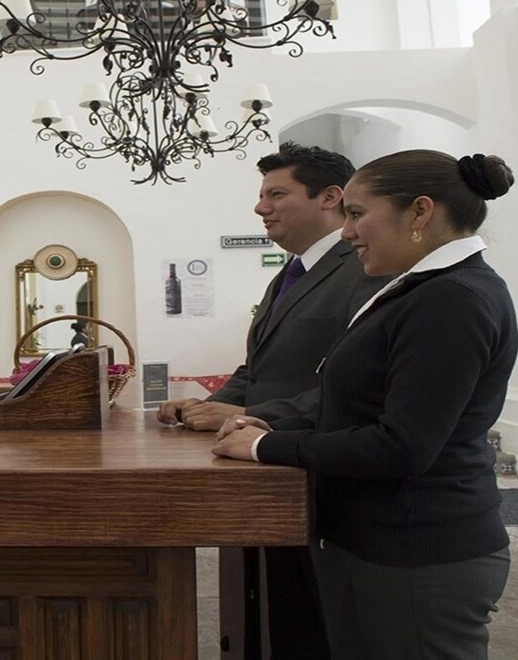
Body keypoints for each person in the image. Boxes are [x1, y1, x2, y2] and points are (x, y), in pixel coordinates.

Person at [213, 150, 518, 660]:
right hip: (374, 539)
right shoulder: (418, 288)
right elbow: (360, 401)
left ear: (419, 212)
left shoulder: (452, 298)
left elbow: (401, 445)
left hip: (417, 547)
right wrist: (270, 421)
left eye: (356, 214)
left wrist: (266, 447)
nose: (348, 232)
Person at [158, 144, 388, 659]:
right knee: (279, 617)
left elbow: (356, 382)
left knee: (319, 626)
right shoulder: (290, 273)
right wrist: (206, 406)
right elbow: (258, 368)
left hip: (323, 474)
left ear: (330, 197)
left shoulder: (361, 269)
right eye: (262, 196)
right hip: (270, 475)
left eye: (277, 194)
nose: (261, 207)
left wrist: (255, 416)